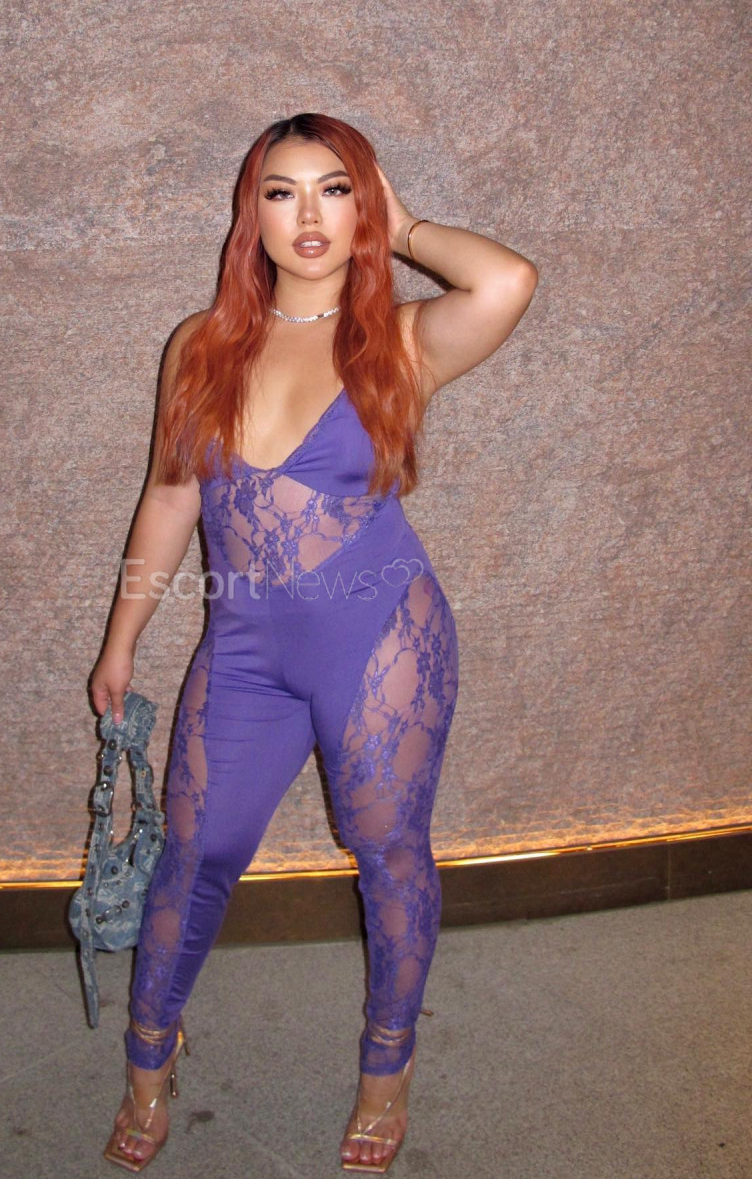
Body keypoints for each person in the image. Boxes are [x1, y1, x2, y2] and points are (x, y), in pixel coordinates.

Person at [89, 112, 538, 1174]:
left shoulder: (403, 339)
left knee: (387, 854)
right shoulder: (200, 345)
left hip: (382, 641)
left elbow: (508, 281)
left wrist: (406, 223)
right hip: (244, 648)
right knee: (194, 853)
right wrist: (122, 639)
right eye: (281, 191)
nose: (309, 215)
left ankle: (387, 1069)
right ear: (250, 212)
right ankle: (151, 1056)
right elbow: (169, 497)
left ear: (362, 206)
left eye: (335, 190)